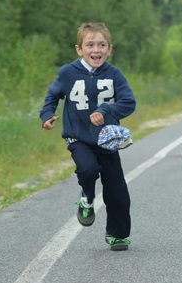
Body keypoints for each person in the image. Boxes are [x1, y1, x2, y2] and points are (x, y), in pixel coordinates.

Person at [39, 22, 136, 251]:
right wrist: (47, 115)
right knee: (88, 169)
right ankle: (87, 198)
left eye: (102, 45)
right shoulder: (67, 73)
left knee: (117, 191)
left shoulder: (114, 74)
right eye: (90, 45)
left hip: (106, 140)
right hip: (78, 137)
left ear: (110, 49)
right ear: (79, 49)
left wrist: (105, 110)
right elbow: (52, 96)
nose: (96, 50)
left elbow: (128, 102)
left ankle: (117, 234)